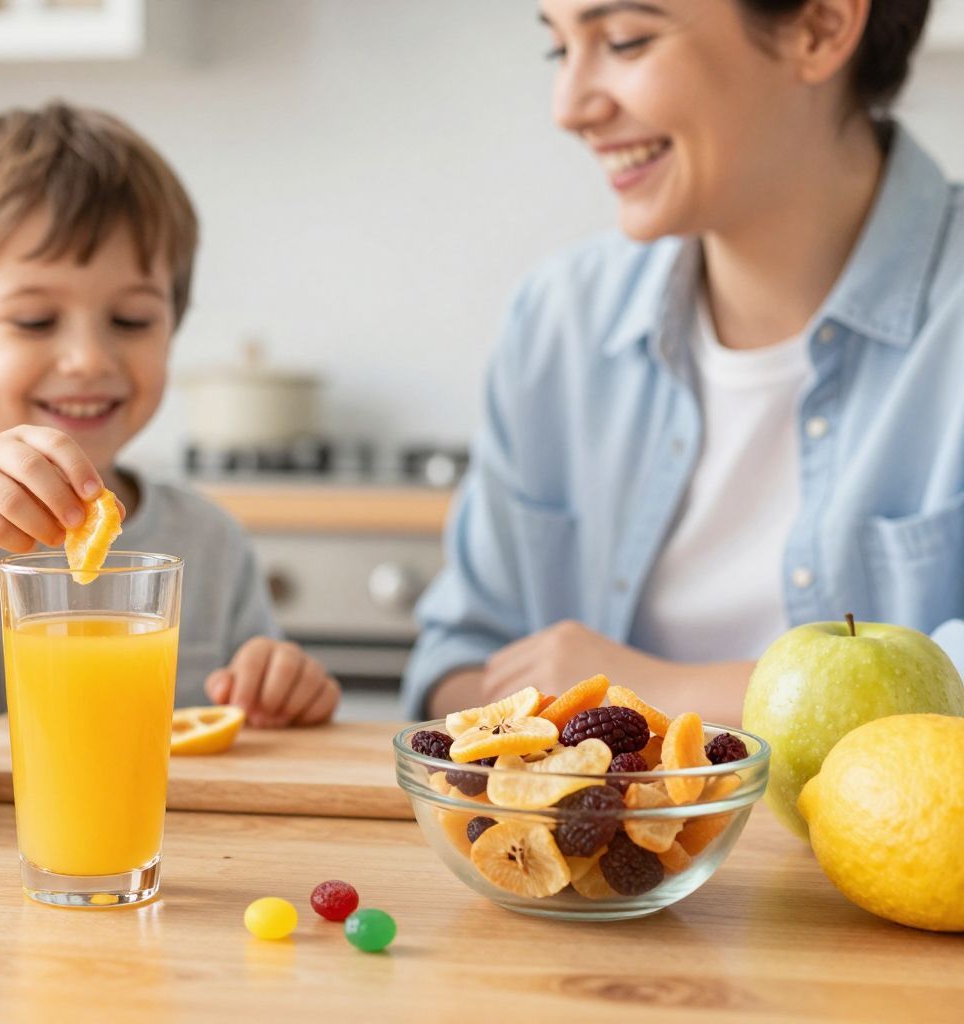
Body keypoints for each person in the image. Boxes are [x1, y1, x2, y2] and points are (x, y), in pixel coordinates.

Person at [405, 0, 962, 725]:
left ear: (820, 28)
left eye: (625, 41)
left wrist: (646, 695)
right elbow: (458, 661)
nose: (569, 106)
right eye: (558, 50)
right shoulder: (558, 320)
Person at [0, 101, 340, 726]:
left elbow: (245, 712)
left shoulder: (210, 541)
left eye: (131, 320)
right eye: (35, 320)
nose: (90, 359)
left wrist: (278, 682)